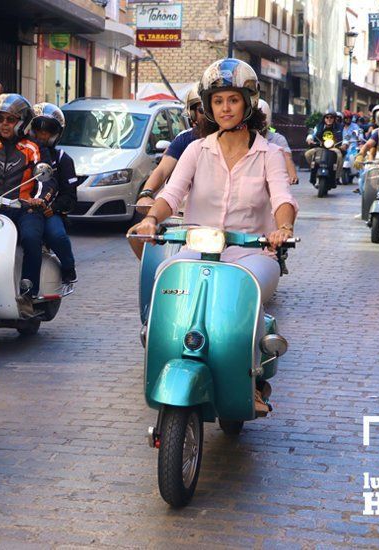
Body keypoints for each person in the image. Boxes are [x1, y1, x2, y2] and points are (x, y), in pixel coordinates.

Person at [126, 58, 297, 414]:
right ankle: (164, 357)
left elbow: (282, 197)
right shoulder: (195, 149)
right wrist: (151, 219)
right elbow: (172, 193)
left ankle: (252, 381)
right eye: (217, 101)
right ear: (208, 105)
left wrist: (283, 228)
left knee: (245, 294)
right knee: (164, 275)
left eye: (232, 99)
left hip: (253, 253)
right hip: (199, 246)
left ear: (249, 102)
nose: (225, 108)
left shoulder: (269, 153)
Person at [0, 93, 56, 300]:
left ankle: (29, 289)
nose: (4, 124)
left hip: (25, 209)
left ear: (23, 122)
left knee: (31, 237)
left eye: (11, 120)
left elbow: (46, 180)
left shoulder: (34, 148)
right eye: (0, 119)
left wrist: (39, 199)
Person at [28, 102, 77, 284]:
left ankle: (68, 267)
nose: (43, 135)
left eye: (48, 131)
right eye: (39, 129)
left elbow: (70, 196)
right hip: (22, 207)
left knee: (57, 235)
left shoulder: (63, 159)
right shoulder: (23, 152)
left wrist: (54, 208)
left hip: (48, 212)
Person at [135, 87, 205, 215]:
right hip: (181, 213)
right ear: (193, 113)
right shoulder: (186, 140)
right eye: (203, 110)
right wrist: (146, 194)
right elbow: (162, 170)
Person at [258, 99, 299, 185]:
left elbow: (287, 157)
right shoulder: (240, 139)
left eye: (260, 120)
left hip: (273, 180)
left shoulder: (277, 139)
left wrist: (292, 175)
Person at [305, 107, 345, 185]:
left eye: (331, 117)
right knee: (308, 154)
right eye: (327, 117)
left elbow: (345, 137)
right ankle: (314, 169)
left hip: (334, 148)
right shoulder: (319, 126)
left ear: (334, 119)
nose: (329, 119)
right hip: (320, 147)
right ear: (324, 118)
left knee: (339, 156)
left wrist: (344, 144)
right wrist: (309, 139)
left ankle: (336, 177)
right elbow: (311, 134)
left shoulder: (340, 127)